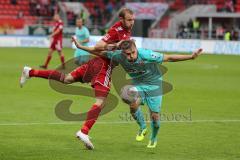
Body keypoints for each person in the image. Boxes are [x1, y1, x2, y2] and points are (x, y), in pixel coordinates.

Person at [20, 8, 135, 150]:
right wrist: (115, 45)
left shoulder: (126, 30)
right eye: (129, 20)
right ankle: (84, 131)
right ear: (122, 19)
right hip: (103, 67)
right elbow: (99, 46)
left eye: (133, 19)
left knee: (66, 79)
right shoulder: (116, 30)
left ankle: (30, 72)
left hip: (95, 64)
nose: (132, 22)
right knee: (102, 101)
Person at [72, 39, 202, 148]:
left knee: (155, 117)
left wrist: (191, 56)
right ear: (122, 53)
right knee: (129, 101)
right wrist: (80, 46)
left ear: (136, 49)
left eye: (133, 53)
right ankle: (142, 127)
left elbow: (169, 57)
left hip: (154, 86)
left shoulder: (146, 54)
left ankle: (153, 137)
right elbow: (99, 51)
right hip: (139, 86)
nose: (131, 56)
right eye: (127, 54)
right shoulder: (118, 55)